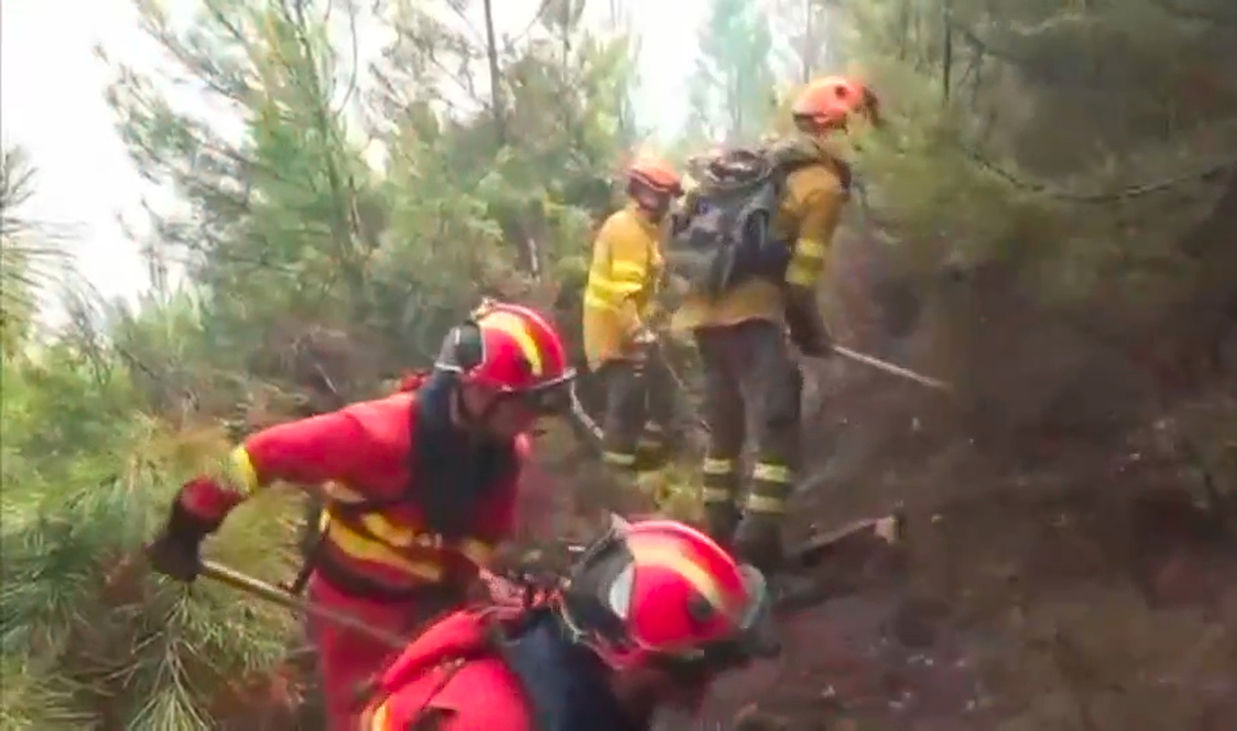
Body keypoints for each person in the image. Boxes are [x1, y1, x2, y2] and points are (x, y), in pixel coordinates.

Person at [145, 301, 576, 730]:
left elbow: (482, 535)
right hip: (350, 612)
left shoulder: (505, 456)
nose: (530, 419)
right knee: (363, 719)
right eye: (522, 404)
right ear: (477, 391)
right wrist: (191, 519)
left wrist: (455, 597)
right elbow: (259, 456)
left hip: (427, 611)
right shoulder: (378, 434)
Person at [671, 75, 883, 573]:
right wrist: (811, 334)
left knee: (724, 429)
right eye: (860, 131)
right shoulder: (824, 186)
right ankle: (757, 545)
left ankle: (718, 530)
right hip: (753, 314)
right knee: (777, 425)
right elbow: (801, 281)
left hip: (702, 312)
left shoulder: (763, 165)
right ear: (840, 127)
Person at [358, 516, 774, 730]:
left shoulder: (576, 682)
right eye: (697, 673)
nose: (703, 692)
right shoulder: (491, 721)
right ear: (632, 661)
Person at [583, 155, 685, 485]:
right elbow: (624, 294)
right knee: (626, 407)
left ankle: (650, 471)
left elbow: (647, 288)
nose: (662, 203)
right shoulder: (627, 231)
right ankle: (615, 484)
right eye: (657, 195)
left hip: (628, 337)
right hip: (615, 340)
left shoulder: (645, 230)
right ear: (642, 193)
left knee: (656, 398)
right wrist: (639, 333)